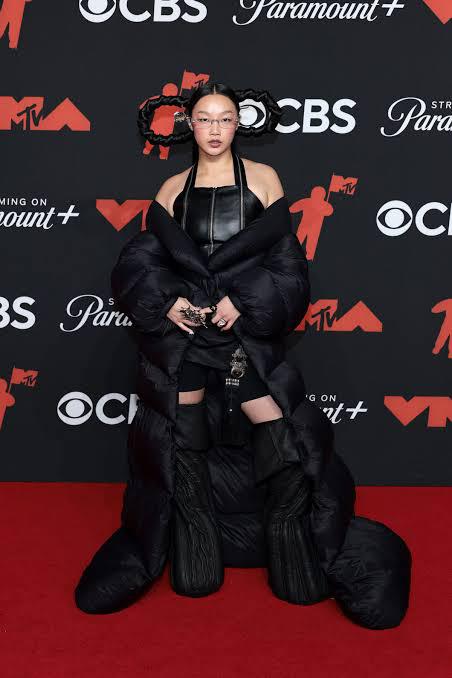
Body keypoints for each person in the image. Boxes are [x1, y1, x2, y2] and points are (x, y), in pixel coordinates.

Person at [74, 83, 412, 629]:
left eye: (225, 118)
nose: (214, 129)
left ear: (239, 123)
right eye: (205, 118)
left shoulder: (263, 179)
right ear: (189, 124)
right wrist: (171, 304)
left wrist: (244, 301)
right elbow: (142, 263)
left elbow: (287, 263)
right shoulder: (170, 188)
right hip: (188, 337)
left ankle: (288, 544)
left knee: (283, 435)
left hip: (242, 335)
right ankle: (197, 554)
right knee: (182, 441)